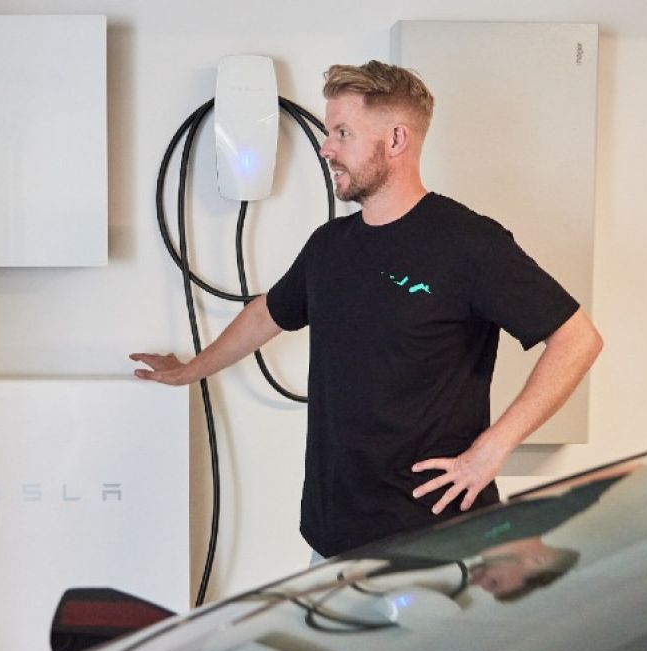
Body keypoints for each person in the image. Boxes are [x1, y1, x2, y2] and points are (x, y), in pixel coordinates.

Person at [131, 61, 603, 558]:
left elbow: (577, 339)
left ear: (396, 139)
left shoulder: (468, 243)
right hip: (331, 537)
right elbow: (265, 315)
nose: (325, 147)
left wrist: (491, 451)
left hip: (434, 541)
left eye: (342, 132)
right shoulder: (330, 246)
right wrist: (190, 371)